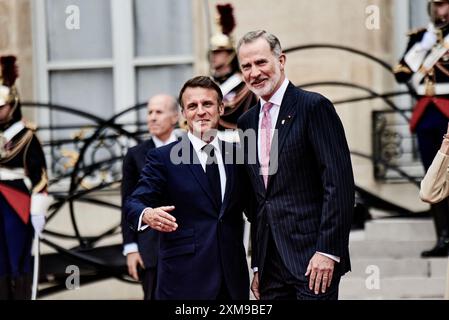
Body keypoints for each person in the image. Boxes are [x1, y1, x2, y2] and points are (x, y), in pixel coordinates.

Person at [236, 31, 354, 300]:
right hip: (270, 266)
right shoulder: (246, 122)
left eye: (261, 62)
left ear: (281, 60)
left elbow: (339, 185)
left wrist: (327, 250)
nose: (254, 72)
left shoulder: (313, 107)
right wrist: (257, 264)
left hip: (313, 260)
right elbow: (258, 201)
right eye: (246, 66)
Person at [124, 76, 253, 300]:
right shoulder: (162, 158)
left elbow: (257, 212)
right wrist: (147, 214)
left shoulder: (237, 155)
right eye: (192, 106)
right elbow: (133, 203)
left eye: (207, 104)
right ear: (184, 114)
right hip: (184, 282)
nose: (200, 111)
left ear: (221, 108)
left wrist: (259, 266)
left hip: (233, 283)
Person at [394, 0, 449, 257]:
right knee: (432, 175)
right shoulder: (420, 37)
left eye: (446, 4)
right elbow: (401, 74)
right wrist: (421, 48)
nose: (443, 11)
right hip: (428, 113)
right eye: (438, 5)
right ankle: (444, 238)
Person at [0, 56, 50, 299]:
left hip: (16, 199)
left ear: (12, 104)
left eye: (1, 107)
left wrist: (38, 208)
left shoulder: (27, 136)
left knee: (17, 255)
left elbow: (40, 174)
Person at [121, 94, 180, 300]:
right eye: (150, 112)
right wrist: (131, 248)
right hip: (151, 250)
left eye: (159, 112)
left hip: (189, 245)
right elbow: (127, 203)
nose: (152, 117)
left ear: (175, 117)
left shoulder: (190, 148)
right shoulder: (135, 154)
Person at [208, 3, 258, 130]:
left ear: (230, 54)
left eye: (218, 52)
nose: (213, 56)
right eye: (212, 52)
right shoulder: (209, 83)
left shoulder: (243, 86)